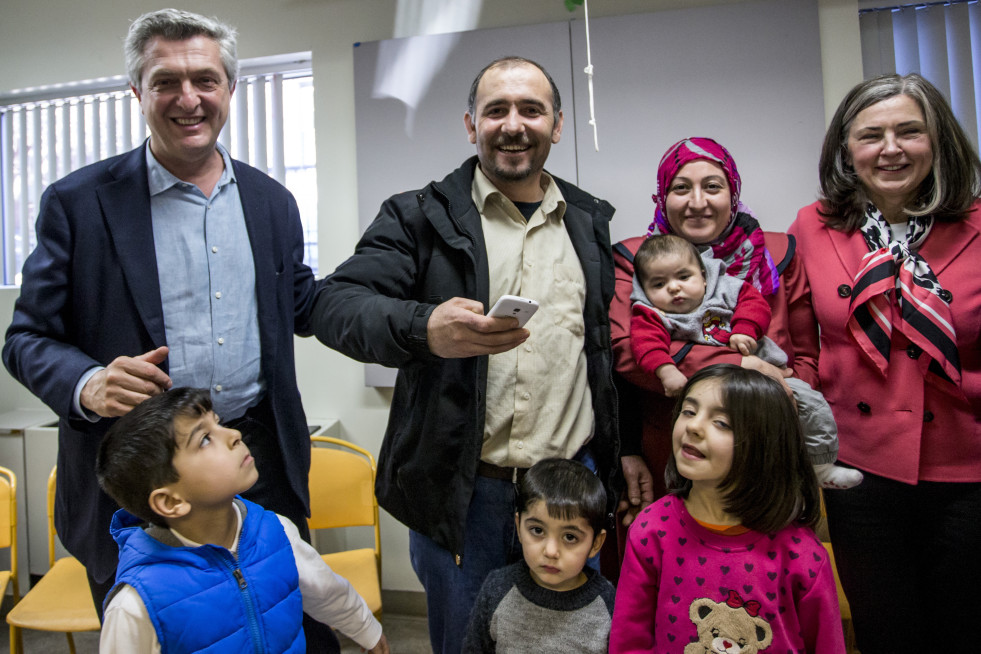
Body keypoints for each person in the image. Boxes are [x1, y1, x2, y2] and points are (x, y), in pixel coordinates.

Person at [0, 10, 332, 646]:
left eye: (205, 79)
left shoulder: (271, 204)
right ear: (137, 92)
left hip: (259, 468)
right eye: (165, 82)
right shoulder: (77, 203)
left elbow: (303, 304)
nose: (189, 99)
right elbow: (25, 340)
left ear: (230, 88)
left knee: (291, 632)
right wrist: (87, 381)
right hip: (134, 486)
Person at [311, 56, 619, 654]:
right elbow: (333, 305)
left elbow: (600, 354)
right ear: (470, 123)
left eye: (531, 109)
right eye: (495, 109)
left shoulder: (588, 221)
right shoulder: (418, 216)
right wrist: (424, 326)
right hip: (466, 497)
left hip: (570, 487)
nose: (513, 123)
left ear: (557, 124)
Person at [788, 73, 981, 653]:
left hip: (967, 467)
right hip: (859, 471)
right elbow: (801, 350)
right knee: (884, 630)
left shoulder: (977, 223)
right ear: (847, 150)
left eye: (909, 131)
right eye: (871, 135)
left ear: (938, 140)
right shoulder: (813, 225)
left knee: (965, 630)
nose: (890, 148)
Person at [609, 137, 819, 535]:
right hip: (669, 446)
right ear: (662, 195)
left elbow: (806, 356)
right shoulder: (634, 258)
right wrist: (742, 364)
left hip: (765, 444)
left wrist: (784, 413)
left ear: (733, 192)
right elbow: (629, 355)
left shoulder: (779, 252)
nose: (697, 201)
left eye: (712, 186)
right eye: (681, 187)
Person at [95, 387, 389, 654]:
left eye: (219, 422)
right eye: (205, 439)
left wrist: (367, 629)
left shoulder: (277, 531)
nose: (233, 434)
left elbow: (326, 591)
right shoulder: (135, 606)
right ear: (171, 501)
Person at [609, 364, 845, 654]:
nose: (693, 427)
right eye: (689, 411)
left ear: (765, 446)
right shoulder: (651, 530)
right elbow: (628, 641)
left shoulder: (801, 553)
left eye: (721, 422)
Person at [630, 233, 861, 489]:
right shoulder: (653, 313)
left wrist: (744, 329)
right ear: (644, 289)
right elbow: (645, 344)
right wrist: (665, 370)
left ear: (704, 277)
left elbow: (755, 304)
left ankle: (819, 468)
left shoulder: (726, 287)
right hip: (707, 392)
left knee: (813, 407)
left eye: (684, 277)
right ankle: (683, 487)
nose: (673, 287)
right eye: (659, 284)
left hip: (765, 375)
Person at [462, 458, 615, 653]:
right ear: (518, 527)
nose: (550, 551)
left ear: (596, 543)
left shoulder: (608, 603)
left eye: (570, 537)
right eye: (537, 530)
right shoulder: (497, 590)